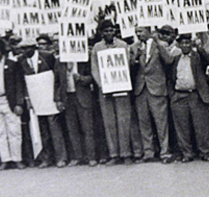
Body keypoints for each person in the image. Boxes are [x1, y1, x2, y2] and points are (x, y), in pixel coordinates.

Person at [158, 33, 209, 162]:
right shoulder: (175, 58)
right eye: (182, 43)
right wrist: (172, 94)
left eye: (187, 43)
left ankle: (205, 152)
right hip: (179, 95)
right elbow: (169, 77)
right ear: (178, 45)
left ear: (191, 44)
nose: (185, 45)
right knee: (182, 127)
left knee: (201, 126)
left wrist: (199, 47)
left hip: (196, 94)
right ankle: (187, 153)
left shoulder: (198, 57)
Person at [18, 38, 68, 168]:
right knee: (42, 131)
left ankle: (61, 157)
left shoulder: (48, 57)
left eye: (26, 48)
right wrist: (27, 99)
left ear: (34, 47)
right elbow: (23, 82)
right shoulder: (22, 61)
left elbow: (57, 78)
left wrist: (57, 98)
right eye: (22, 49)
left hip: (49, 99)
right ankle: (46, 158)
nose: (24, 51)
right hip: (36, 100)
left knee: (54, 129)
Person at [91, 20, 134, 165]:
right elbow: (94, 68)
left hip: (121, 87)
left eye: (111, 30)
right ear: (101, 33)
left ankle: (126, 153)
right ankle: (114, 154)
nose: (109, 33)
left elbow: (126, 64)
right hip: (105, 89)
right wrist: (102, 85)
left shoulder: (122, 45)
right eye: (106, 31)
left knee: (123, 120)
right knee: (109, 122)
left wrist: (120, 80)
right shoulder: (97, 48)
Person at [130, 26, 172, 164]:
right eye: (136, 32)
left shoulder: (160, 45)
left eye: (141, 31)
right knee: (144, 122)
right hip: (141, 89)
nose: (138, 34)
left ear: (148, 31)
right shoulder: (134, 47)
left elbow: (169, 60)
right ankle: (148, 152)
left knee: (161, 123)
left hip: (156, 89)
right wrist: (135, 56)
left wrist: (158, 43)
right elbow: (129, 66)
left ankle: (165, 152)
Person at [0, 37, 25, 170]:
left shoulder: (12, 64)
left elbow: (19, 84)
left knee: (14, 130)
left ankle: (17, 159)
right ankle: (5, 160)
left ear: (0, 51)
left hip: (9, 101)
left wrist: (19, 103)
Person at [62, 42, 98, 167]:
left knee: (87, 128)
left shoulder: (84, 59)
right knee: (72, 129)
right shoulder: (60, 60)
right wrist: (58, 99)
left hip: (83, 97)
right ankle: (77, 157)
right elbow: (57, 80)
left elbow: (93, 77)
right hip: (68, 97)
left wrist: (81, 78)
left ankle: (91, 157)